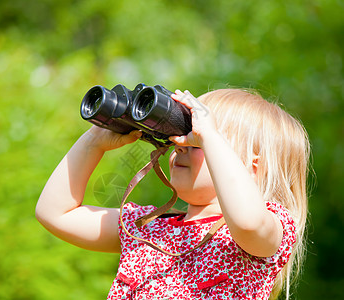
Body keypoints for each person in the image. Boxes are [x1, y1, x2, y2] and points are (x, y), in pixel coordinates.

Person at [35, 88, 310, 299]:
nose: (181, 146)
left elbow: (247, 221)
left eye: (195, 140)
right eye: (182, 134)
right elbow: (56, 214)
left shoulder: (264, 233)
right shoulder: (148, 228)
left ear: (252, 167)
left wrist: (210, 137)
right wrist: (94, 140)